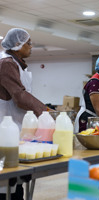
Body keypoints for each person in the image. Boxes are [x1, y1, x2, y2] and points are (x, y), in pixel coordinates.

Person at [0, 28, 48, 200]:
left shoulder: (16, 64)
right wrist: (45, 111)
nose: (31, 46)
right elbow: (20, 96)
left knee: (17, 182)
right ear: (17, 45)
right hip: (4, 131)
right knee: (6, 185)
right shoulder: (7, 63)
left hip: (15, 129)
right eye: (28, 43)